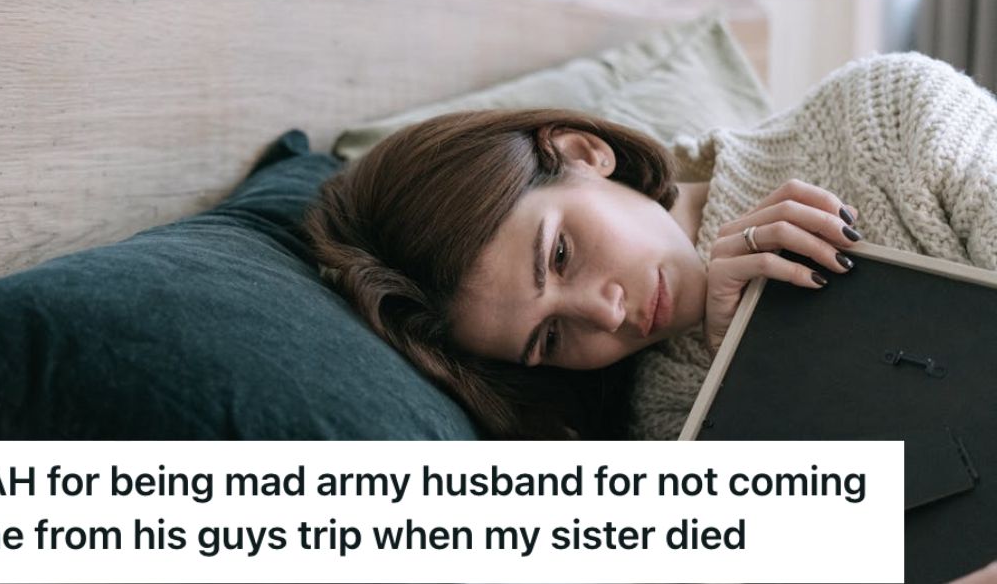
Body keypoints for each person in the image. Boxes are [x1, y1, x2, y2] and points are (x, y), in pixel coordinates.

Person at [305, 52, 997, 441]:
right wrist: (756, 364)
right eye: (548, 338)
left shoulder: (881, 116)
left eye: (560, 256)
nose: (605, 317)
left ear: (582, 152)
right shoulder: (665, 428)